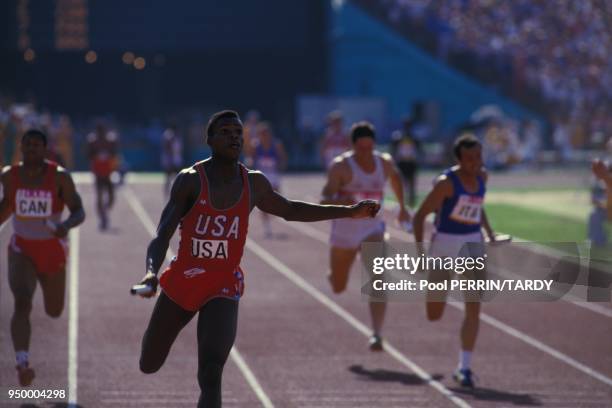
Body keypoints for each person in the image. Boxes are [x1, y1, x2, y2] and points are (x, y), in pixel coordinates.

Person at [134, 110, 380, 408]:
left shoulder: (254, 184)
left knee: (211, 372)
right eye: (225, 132)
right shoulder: (190, 181)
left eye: (238, 132)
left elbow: (292, 210)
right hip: (184, 280)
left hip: (222, 285)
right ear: (210, 140)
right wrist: (151, 273)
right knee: (149, 363)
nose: (234, 137)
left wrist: (349, 211)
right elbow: (162, 235)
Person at [0, 129, 85, 386]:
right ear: (21, 148)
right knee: (22, 302)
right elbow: (6, 209)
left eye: (36, 145)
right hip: (22, 249)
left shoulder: (59, 177)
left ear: (45, 149)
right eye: (26, 145)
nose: (30, 150)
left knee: (54, 310)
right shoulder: (10, 176)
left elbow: (79, 210)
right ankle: (22, 363)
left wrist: (66, 225)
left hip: (51, 250)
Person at [412, 134, 496, 388]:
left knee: (474, 308)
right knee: (434, 313)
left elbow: (478, 206)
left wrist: (489, 233)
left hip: (472, 243)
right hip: (445, 244)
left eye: (478, 157)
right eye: (470, 158)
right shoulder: (446, 183)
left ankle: (465, 368)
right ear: (458, 159)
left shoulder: (483, 177)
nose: (475, 162)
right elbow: (420, 217)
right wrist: (421, 255)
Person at [320, 121, 411, 351]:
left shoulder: (384, 162)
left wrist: (402, 206)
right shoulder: (341, 167)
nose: (366, 153)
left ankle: (377, 333)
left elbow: (396, 178)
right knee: (339, 285)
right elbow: (324, 199)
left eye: (369, 148)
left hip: (373, 228)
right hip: (345, 230)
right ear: (352, 147)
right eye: (361, 148)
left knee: (379, 277)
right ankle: (334, 275)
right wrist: (344, 203)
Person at [252, 121, 288, 238]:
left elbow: (282, 157)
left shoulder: (276, 144)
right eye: (262, 134)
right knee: (263, 200)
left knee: (277, 199)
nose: (264, 136)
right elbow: (251, 158)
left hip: (273, 174)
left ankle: (270, 213)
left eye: (266, 133)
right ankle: (266, 225)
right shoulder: (256, 145)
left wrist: (281, 166)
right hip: (262, 175)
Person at [87, 123, 118, 230]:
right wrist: (97, 155)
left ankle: (104, 211)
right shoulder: (92, 141)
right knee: (99, 196)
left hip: (108, 172)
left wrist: (108, 154)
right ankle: (102, 217)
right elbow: (89, 155)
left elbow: (114, 153)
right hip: (98, 172)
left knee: (111, 197)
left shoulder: (110, 141)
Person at [391, 117, 421, 208]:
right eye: (406, 125)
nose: (407, 127)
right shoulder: (398, 136)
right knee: (401, 183)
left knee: (411, 184)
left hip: (411, 162)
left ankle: (411, 204)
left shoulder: (415, 137)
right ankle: (401, 203)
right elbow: (393, 148)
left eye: (409, 125)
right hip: (402, 162)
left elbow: (419, 149)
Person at [161, 124, 183, 197]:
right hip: (171, 160)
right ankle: (167, 193)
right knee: (169, 177)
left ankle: (177, 193)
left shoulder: (176, 136)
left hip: (176, 159)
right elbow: (167, 148)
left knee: (178, 178)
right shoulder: (169, 135)